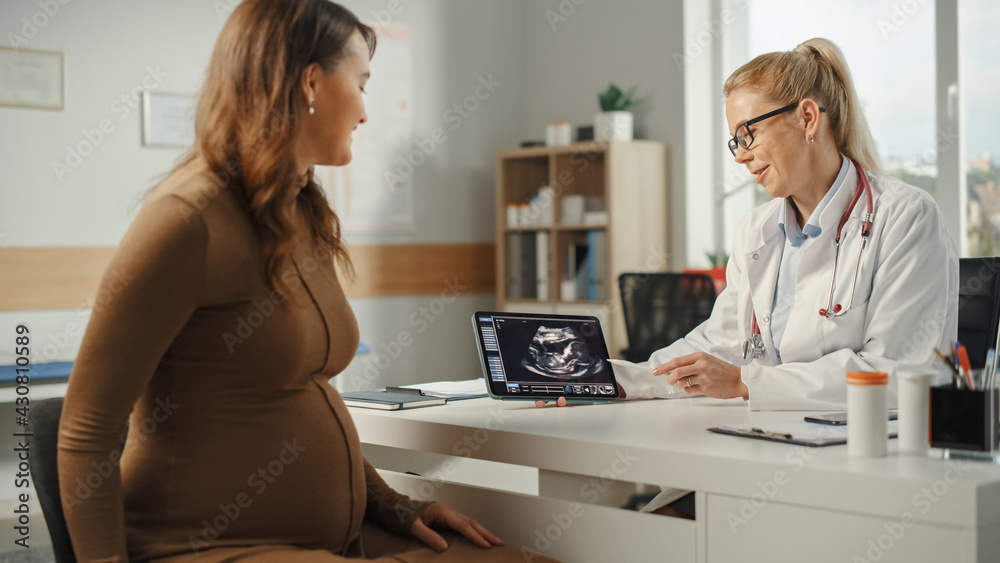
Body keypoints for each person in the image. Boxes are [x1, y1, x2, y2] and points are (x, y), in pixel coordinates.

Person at [57, 1, 559, 561]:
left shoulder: (300, 209)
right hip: (207, 545)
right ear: (312, 82)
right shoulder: (188, 219)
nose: (367, 112)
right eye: (362, 84)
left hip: (332, 537)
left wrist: (398, 507)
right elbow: (86, 431)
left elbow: (304, 395)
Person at [543, 37, 958, 412]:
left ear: (808, 118)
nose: (740, 156)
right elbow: (719, 343)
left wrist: (747, 381)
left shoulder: (904, 217)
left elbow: (897, 372)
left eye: (748, 134)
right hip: (769, 438)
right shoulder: (756, 232)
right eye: (734, 142)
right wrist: (608, 380)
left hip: (865, 450)